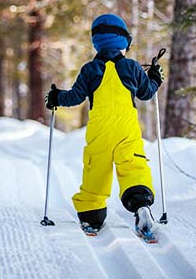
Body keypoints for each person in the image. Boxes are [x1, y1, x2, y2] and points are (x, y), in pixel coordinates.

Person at [44, 13, 164, 237]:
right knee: (133, 166)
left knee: (96, 170)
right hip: (127, 129)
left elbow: (74, 98)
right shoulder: (132, 67)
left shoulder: (90, 69)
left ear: (97, 43)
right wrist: (156, 77)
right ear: (123, 42)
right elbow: (147, 93)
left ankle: (92, 217)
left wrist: (55, 96)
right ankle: (141, 206)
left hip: (100, 131)